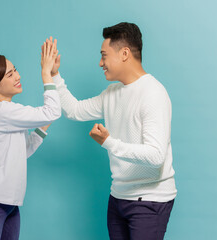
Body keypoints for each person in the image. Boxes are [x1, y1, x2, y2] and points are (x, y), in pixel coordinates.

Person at [47, 23, 177, 239]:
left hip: (150, 200)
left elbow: (155, 156)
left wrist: (109, 142)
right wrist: (55, 75)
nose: (100, 63)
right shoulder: (112, 93)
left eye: (104, 55)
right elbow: (74, 110)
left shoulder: (153, 93)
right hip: (118, 198)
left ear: (124, 53)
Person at [0, 38, 61, 240]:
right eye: (10, 74)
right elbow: (52, 111)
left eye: (15, 69)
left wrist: (42, 127)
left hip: (8, 204)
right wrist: (46, 73)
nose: (18, 76)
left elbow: (23, 151)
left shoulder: (6, 113)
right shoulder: (1, 111)